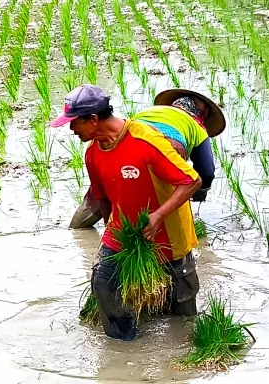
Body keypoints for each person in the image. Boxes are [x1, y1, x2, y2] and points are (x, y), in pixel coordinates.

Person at [51, 85, 202, 340]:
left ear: (94, 119)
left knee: (183, 308)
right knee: (103, 283)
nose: (72, 129)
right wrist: (111, 233)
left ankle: (180, 359)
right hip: (123, 232)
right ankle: (124, 345)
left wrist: (158, 216)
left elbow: (191, 181)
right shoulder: (93, 154)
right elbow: (102, 198)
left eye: (74, 123)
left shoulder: (146, 141)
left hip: (167, 232)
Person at [69, 89, 225, 229]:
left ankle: (77, 227)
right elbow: (207, 171)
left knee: (108, 189)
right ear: (200, 115)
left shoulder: (151, 111)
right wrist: (200, 192)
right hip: (169, 147)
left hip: (130, 143)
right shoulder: (196, 126)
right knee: (163, 198)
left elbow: (124, 130)